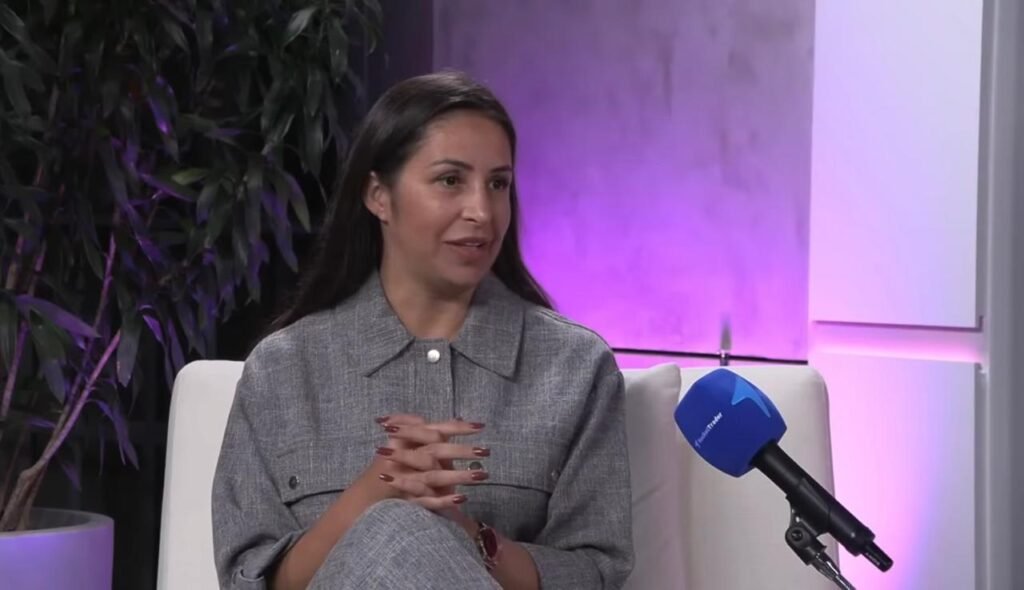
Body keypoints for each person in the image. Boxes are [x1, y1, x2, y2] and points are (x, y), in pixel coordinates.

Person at [211, 71, 633, 590]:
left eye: (498, 184)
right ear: (378, 196)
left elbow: (595, 576)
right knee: (392, 528)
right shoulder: (282, 371)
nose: (481, 211)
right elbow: (247, 581)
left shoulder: (575, 368)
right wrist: (370, 499)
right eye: (451, 180)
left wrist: (465, 536)